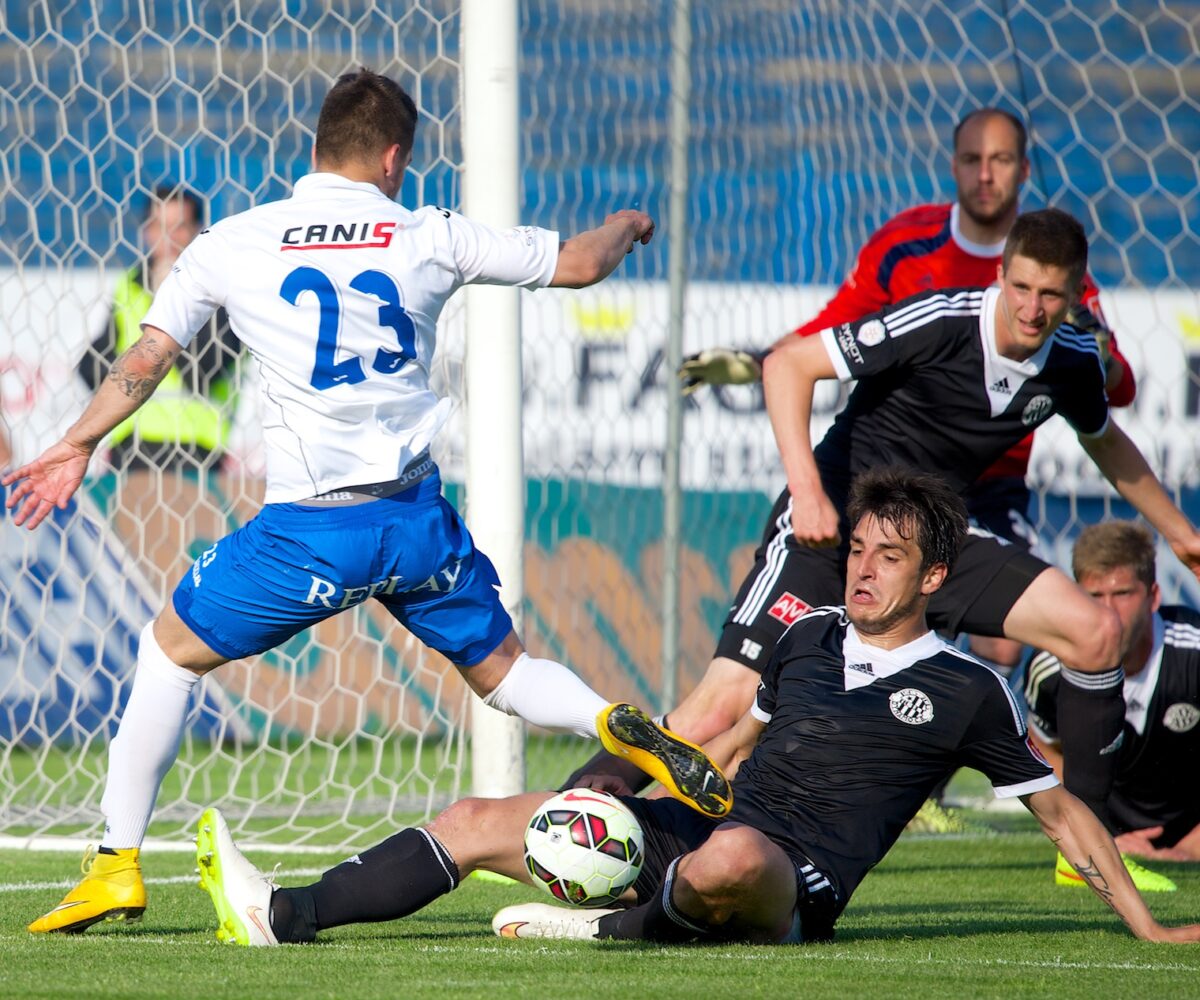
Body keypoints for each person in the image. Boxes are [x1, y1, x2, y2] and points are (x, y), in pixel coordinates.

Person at [7, 68, 730, 936]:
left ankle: (114, 867)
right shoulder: (428, 233)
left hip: (311, 532)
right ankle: (611, 719)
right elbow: (580, 263)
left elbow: (149, 358)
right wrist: (625, 225)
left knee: (166, 655)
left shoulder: (235, 241)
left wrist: (78, 443)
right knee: (503, 676)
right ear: (394, 157)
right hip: (415, 521)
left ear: (316, 147)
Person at [191, 469, 1200, 946]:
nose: (860, 569)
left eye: (886, 559)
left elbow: (1061, 808)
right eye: (854, 551)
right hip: (712, 822)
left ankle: (617, 926)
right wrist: (627, 779)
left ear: (933, 574)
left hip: (790, 880)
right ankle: (284, 913)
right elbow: (727, 737)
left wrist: (1146, 931)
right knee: (475, 820)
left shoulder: (969, 688)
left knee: (731, 861)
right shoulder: (804, 637)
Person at [573, 207, 1200, 863]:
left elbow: (1106, 442)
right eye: (1021, 288)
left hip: (934, 541)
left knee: (1094, 631)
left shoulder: (1070, 361)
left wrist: (1181, 535)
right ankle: (572, 821)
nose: (1033, 308)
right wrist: (810, 493)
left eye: (1050, 295)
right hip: (834, 525)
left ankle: (1092, 854)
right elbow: (788, 364)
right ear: (1002, 275)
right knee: (715, 711)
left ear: (1076, 295)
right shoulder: (942, 320)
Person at [77, 185, 242, 596]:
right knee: (127, 578)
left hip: (195, 453)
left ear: (198, 231)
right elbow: (89, 367)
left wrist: (170, 301)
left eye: (179, 227)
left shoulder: (221, 293)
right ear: (145, 231)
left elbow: (202, 371)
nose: (167, 238)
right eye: (157, 226)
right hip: (131, 450)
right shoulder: (130, 287)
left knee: (185, 581)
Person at [1025, 520, 1200, 888]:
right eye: (1094, 596)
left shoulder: (1194, 654)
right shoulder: (1051, 668)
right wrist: (1093, 838)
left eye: (1121, 594)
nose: (1107, 612)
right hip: (1108, 838)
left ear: (1153, 597)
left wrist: (1189, 846)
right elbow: (1042, 745)